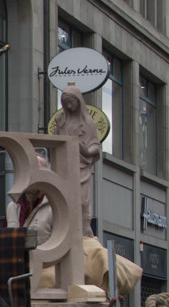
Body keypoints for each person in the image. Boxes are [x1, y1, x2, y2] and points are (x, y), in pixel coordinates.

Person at [52, 83, 101, 237]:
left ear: (78, 101)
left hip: (82, 167)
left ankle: (84, 231)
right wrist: (59, 128)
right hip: (65, 167)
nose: (69, 105)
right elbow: (55, 144)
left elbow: (95, 145)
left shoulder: (87, 123)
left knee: (82, 201)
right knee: (65, 201)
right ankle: (66, 231)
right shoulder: (62, 121)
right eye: (65, 102)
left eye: (71, 101)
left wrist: (86, 150)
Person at [6, 152, 53, 243]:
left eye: (36, 170)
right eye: (26, 170)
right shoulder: (12, 207)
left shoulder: (55, 207)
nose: (30, 175)